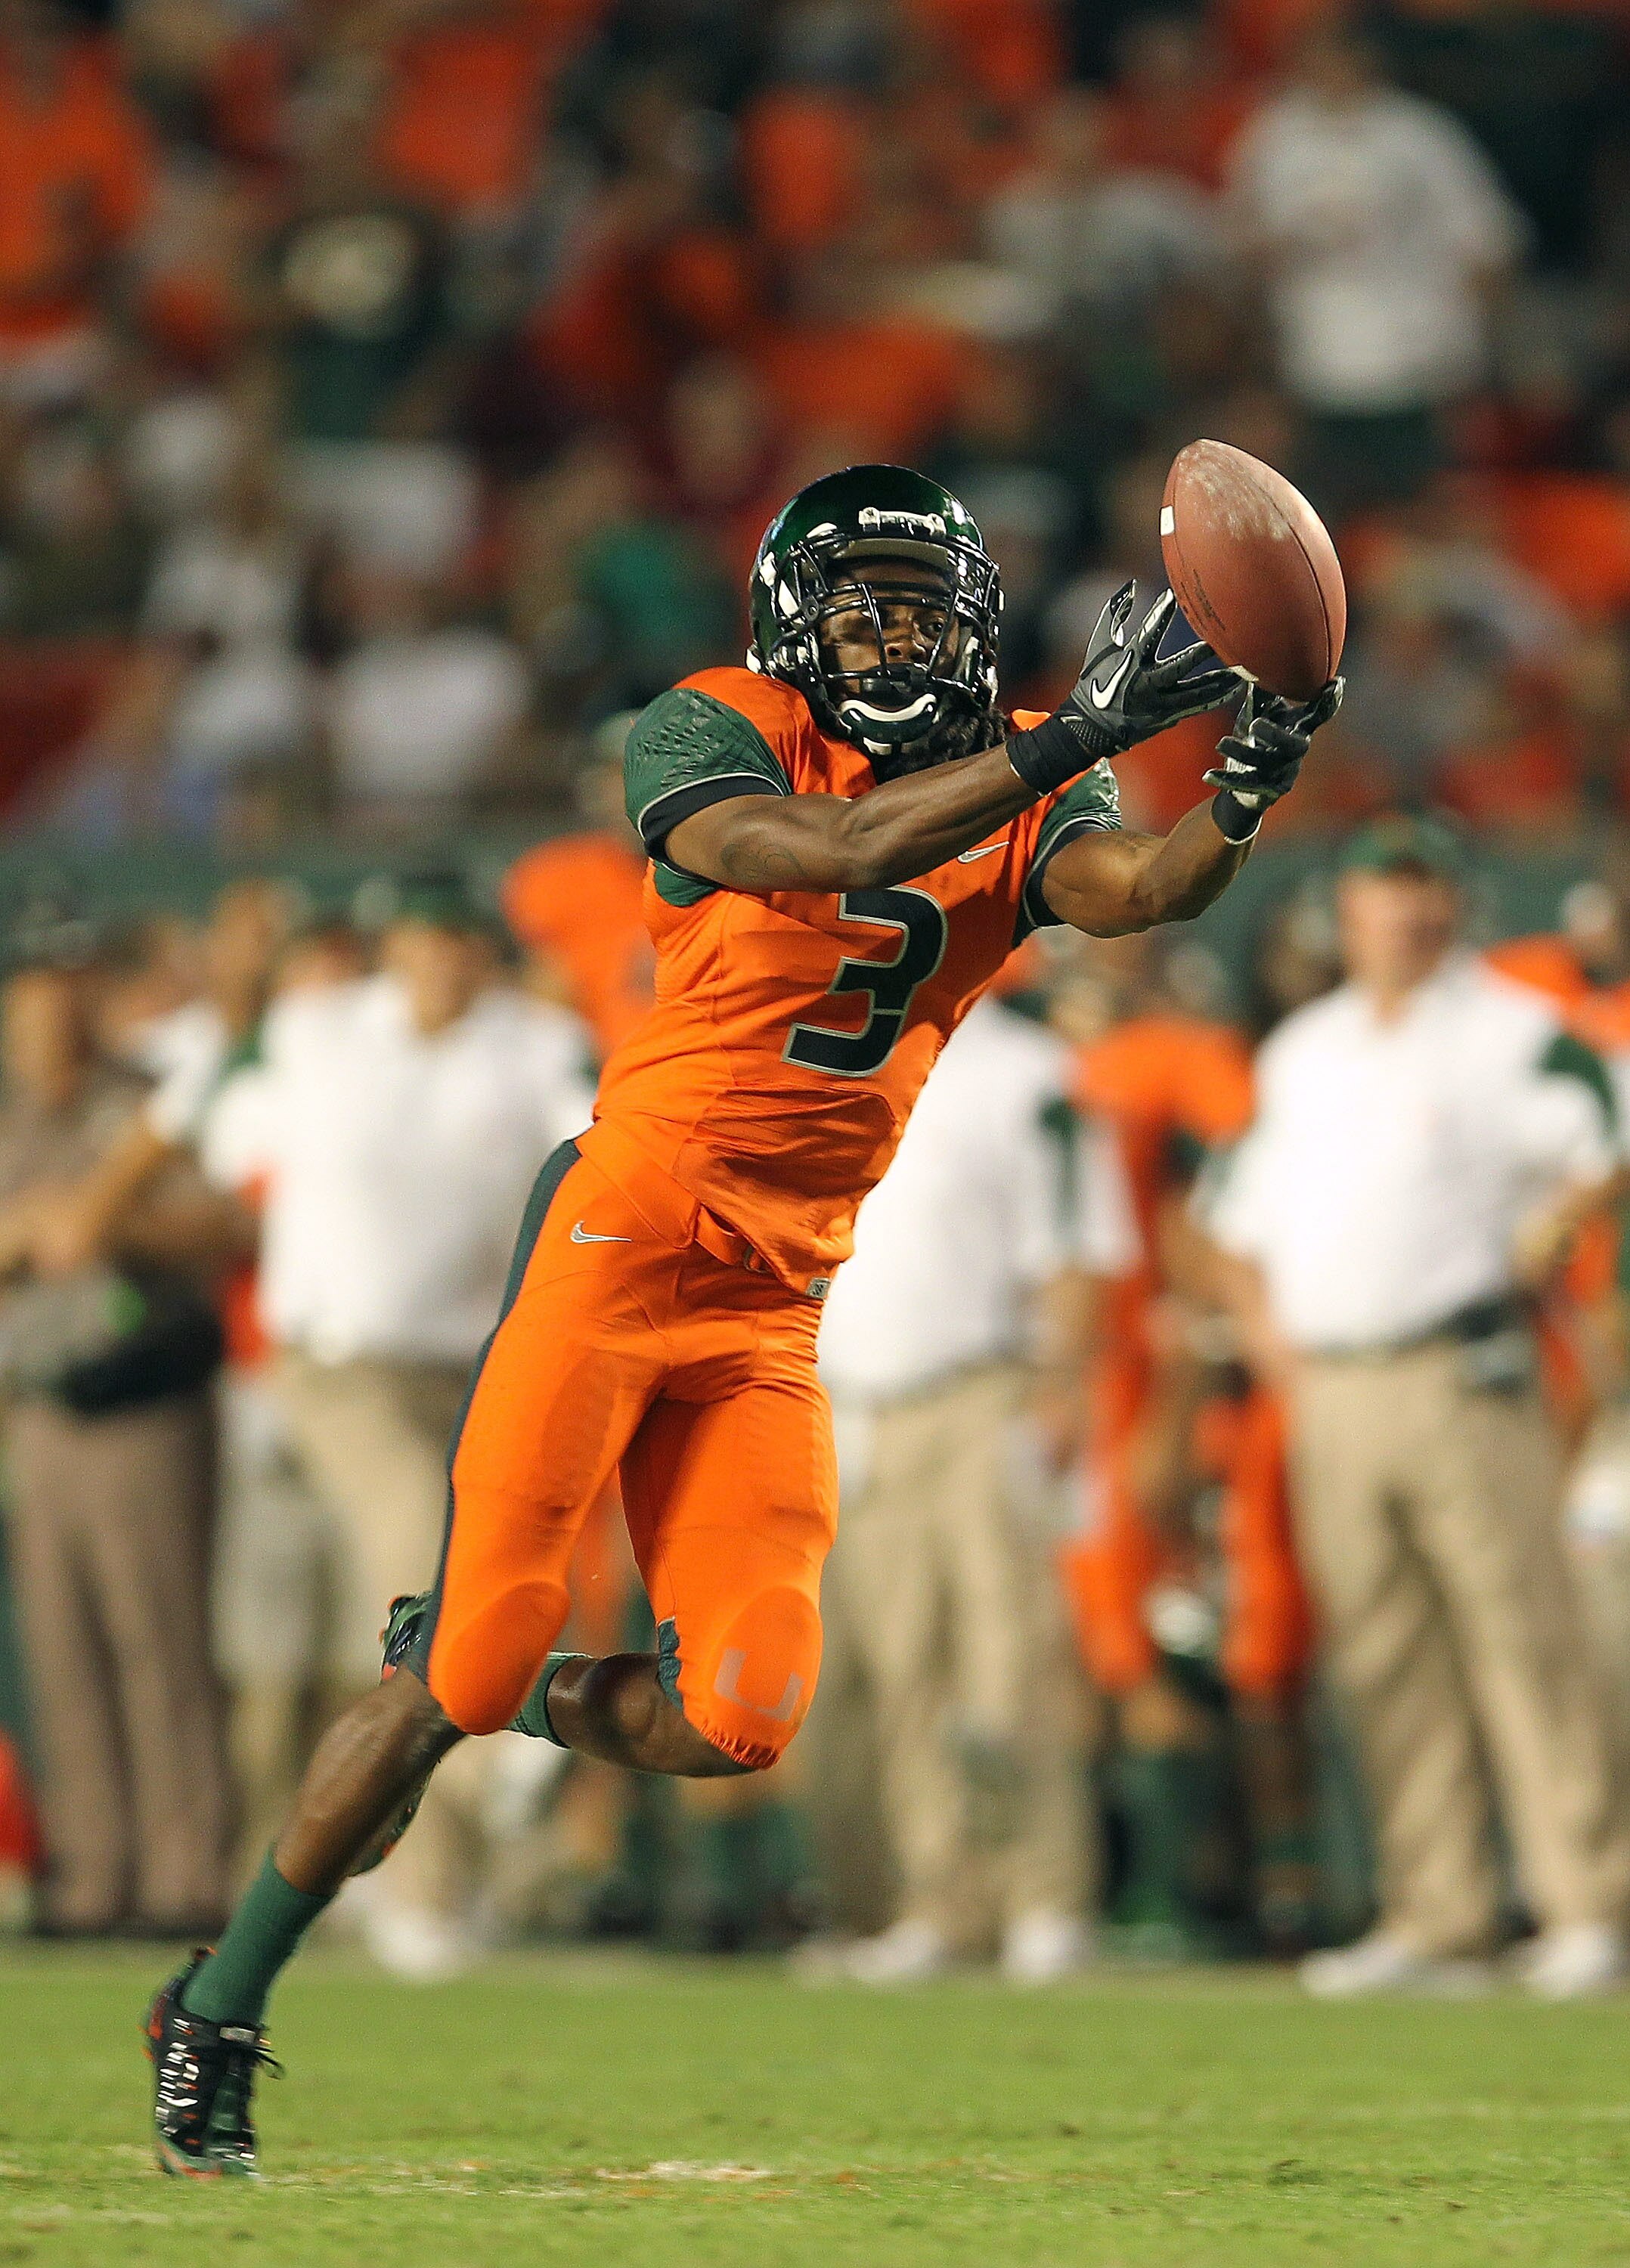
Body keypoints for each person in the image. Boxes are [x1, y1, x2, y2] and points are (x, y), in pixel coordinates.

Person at [144, 460, 1340, 2175]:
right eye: (858, 607)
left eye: (921, 608)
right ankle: (222, 2002)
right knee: (466, 1662)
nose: (891, 637)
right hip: (623, 1234)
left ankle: (483, 1676)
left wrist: (1243, 782)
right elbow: (829, 849)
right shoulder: (713, 722)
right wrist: (1076, 735)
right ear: (790, 623)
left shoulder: (1019, 764)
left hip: (776, 1293)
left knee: (740, 1713)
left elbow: (1140, 895)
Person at [1206, 816, 1630, 1999]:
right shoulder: (1306, 1052)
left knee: (1524, 1639)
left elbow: (1610, 1128)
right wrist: (1263, 1337)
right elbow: (1232, 1220)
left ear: (1453, 903)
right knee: (1385, 1657)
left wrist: (1566, 1214)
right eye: (1387, 892)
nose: (1409, 913)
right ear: (1346, 913)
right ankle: (1437, 1911)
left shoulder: (1508, 1030)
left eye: (1425, 890)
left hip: (1460, 1370)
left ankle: (1584, 1905)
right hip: (1334, 1386)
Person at [814, 992, 1134, 1984]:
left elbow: (1076, 1244)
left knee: (1010, 1653)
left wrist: (1058, 1382)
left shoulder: (1022, 1069)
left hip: (979, 1386)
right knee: (904, 1663)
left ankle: (1042, 1897)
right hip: (856, 1402)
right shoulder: (824, 1055)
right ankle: (940, 1899)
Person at [0, 932, 238, 1935]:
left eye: (68, 984)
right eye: (33, 988)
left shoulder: (152, 1097)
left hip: (143, 1395)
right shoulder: (9, 1116)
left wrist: (106, 1216)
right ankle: (93, 1877)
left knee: (161, 1647)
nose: (52, 1007)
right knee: (62, 1650)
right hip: (37, 1405)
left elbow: (223, 1227)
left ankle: (184, 1877)